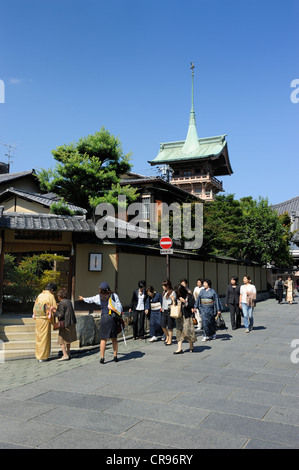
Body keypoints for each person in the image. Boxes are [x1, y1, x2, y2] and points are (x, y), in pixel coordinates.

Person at [78, 281, 123, 364]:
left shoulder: (99, 297)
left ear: (100, 290)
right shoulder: (114, 295)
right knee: (114, 339)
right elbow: (120, 306)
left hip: (104, 318)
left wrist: (83, 298)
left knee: (103, 339)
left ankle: (102, 358)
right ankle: (115, 356)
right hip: (113, 318)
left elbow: (90, 299)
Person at [33, 283, 57, 362]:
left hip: (38, 318)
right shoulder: (50, 296)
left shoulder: (40, 295)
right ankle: (43, 356)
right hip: (45, 319)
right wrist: (54, 322)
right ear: (52, 290)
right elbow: (54, 308)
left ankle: (38, 355)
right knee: (44, 338)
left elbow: (35, 307)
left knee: (39, 337)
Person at [173, 285, 196, 354]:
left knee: (187, 332)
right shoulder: (177, 297)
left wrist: (184, 302)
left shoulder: (189, 296)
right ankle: (179, 348)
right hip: (179, 316)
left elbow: (192, 305)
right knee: (179, 331)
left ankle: (191, 344)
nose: (177, 293)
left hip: (186, 316)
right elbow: (175, 304)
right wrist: (174, 301)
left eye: (178, 292)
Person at [56, 287, 77, 361]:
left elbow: (60, 315)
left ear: (60, 296)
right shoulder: (69, 301)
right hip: (71, 323)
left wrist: (54, 310)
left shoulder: (61, 303)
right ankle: (68, 352)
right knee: (68, 340)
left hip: (64, 324)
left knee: (61, 340)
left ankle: (65, 355)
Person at [161, 280, 176, 345]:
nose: (162, 287)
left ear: (167, 286)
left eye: (164, 285)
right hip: (164, 310)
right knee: (162, 325)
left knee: (170, 326)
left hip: (170, 310)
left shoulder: (173, 292)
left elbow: (174, 302)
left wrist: (173, 299)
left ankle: (170, 339)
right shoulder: (164, 292)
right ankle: (167, 335)